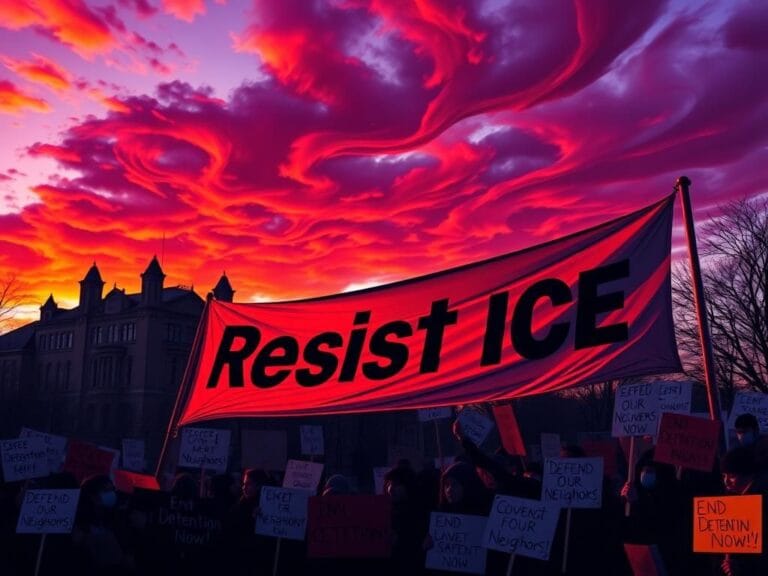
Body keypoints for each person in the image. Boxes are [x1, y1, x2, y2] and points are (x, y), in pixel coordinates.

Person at [719, 446, 768, 576]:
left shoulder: (760, 501)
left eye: (732, 476)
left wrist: (742, 567)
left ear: (748, 475)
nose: (726, 482)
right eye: (724, 476)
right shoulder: (737, 496)